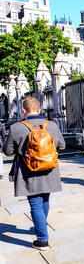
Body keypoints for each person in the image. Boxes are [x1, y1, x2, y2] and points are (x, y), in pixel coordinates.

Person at [3, 97, 66, 251]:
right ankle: (41, 226)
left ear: (24, 110)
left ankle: (43, 240)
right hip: (49, 169)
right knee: (45, 198)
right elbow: (62, 146)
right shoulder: (52, 125)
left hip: (28, 171)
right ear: (39, 108)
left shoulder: (16, 127)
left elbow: (8, 151)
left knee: (35, 203)